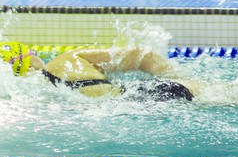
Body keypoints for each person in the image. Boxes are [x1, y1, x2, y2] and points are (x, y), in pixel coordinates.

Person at [0, 41, 201, 101]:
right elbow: (142, 55)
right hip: (148, 96)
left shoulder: (30, 98)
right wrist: (179, 77)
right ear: (28, 57)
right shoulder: (67, 60)